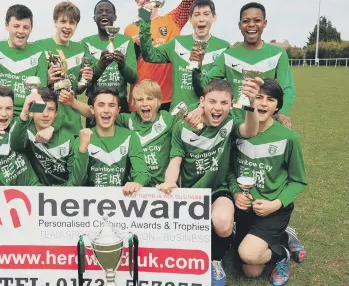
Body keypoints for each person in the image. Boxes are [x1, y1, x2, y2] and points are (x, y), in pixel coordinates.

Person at [157, 78, 263, 286]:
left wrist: (251, 103)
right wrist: (170, 182)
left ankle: (216, 259)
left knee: (222, 222)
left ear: (231, 104)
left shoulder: (230, 121)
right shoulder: (182, 126)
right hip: (190, 192)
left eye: (224, 103)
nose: (218, 108)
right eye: (212, 101)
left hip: (218, 189)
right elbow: (175, 160)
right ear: (202, 101)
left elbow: (250, 131)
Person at [229, 79, 307, 286]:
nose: (263, 104)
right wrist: (236, 192)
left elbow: (298, 181)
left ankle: (282, 255)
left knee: (248, 253)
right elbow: (229, 171)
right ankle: (285, 238)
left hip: (273, 209)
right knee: (251, 271)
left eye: (270, 99)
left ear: (278, 106)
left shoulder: (289, 138)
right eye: (259, 97)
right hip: (246, 209)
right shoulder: (239, 132)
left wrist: (276, 203)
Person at [60, 80, 186, 186]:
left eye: (150, 99)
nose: (145, 103)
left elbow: (187, 123)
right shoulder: (127, 120)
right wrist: (73, 102)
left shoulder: (168, 120)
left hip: (160, 185)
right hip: (133, 187)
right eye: (140, 99)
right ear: (134, 103)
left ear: (159, 102)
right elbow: (97, 113)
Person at [191, 2, 295, 128]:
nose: (251, 24)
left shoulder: (278, 54)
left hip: (265, 123)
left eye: (257, 20)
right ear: (239, 25)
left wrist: (282, 113)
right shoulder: (228, 55)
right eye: (246, 21)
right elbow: (204, 86)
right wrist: (197, 65)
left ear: (264, 23)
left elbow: (287, 88)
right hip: (235, 124)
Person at [124, 0, 205, 112]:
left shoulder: (173, 19)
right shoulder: (129, 29)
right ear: (137, 0)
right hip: (139, 101)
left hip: (166, 100)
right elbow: (129, 67)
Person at [139, 0, 230, 110]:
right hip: (178, 117)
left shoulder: (224, 47)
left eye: (206, 14)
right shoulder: (177, 43)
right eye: (196, 14)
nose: (201, 19)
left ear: (214, 17)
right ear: (190, 19)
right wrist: (144, 19)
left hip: (208, 116)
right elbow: (149, 55)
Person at [0, 4, 48, 116]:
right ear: (7, 26)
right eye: (16, 26)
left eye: (26, 27)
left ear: (31, 29)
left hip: (27, 118)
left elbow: (40, 93)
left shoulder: (39, 54)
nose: (21, 31)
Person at [73, 87, 150, 195]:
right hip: (90, 203)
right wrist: (82, 150)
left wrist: (137, 183)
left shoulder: (130, 137)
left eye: (111, 105)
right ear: (92, 109)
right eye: (100, 105)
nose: (106, 110)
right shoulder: (82, 138)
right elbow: (76, 182)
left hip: (121, 201)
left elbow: (142, 173)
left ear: (118, 110)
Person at [10, 88, 89, 186]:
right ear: (32, 112)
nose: (45, 114)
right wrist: (25, 111)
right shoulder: (26, 131)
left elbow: (76, 180)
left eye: (51, 109)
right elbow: (15, 146)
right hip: (36, 192)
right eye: (40, 109)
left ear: (56, 114)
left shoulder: (68, 139)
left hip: (65, 195)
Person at [36, 1, 92, 135]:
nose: (67, 27)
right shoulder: (39, 47)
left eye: (72, 23)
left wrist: (85, 80)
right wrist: (47, 80)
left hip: (72, 120)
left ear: (76, 25)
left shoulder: (81, 49)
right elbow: (31, 85)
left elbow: (77, 90)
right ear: (55, 22)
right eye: (63, 21)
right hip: (46, 119)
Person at [81, 0, 137, 127]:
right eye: (100, 12)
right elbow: (87, 78)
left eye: (108, 11)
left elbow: (133, 78)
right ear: (94, 18)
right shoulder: (86, 42)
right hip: (95, 102)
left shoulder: (127, 41)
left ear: (115, 17)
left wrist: (123, 66)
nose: (104, 14)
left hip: (119, 102)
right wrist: (100, 65)